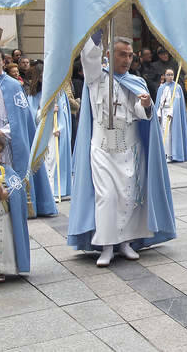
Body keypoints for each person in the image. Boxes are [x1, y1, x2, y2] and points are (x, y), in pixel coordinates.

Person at [70, 32, 176, 267]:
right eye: (121, 54)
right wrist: (97, 28)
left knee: (129, 198)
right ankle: (106, 246)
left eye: (130, 55)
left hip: (130, 149)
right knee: (106, 197)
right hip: (103, 148)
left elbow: (140, 113)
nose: (126, 59)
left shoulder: (136, 82)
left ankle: (126, 242)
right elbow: (89, 56)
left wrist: (147, 104)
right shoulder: (97, 78)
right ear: (109, 54)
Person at [0, 48, 56, 218]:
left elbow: (21, 118)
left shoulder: (13, 85)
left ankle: (19, 205)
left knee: (11, 174)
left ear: (3, 62)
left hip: (9, 140)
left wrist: (3, 132)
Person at [25, 62, 73, 198]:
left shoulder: (59, 93)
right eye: (41, 77)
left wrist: (60, 128)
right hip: (42, 132)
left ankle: (57, 189)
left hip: (56, 131)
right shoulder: (34, 95)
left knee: (55, 160)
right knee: (44, 162)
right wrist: (45, 111)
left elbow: (64, 114)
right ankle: (46, 191)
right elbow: (33, 115)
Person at [0, 134, 29, 285]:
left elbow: (15, 189)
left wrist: (5, 193)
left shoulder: (5, 170)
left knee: (2, 243)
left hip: (2, 213)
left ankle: (1, 269)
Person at [155, 68, 187, 163]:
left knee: (170, 133)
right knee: (163, 133)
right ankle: (163, 153)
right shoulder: (161, 88)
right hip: (163, 113)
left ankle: (171, 154)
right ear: (164, 76)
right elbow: (159, 102)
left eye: (172, 74)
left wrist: (171, 112)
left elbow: (177, 102)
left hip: (172, 114)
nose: (170, 76)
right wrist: (158, 112)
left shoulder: (177, 87)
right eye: (168, 74)